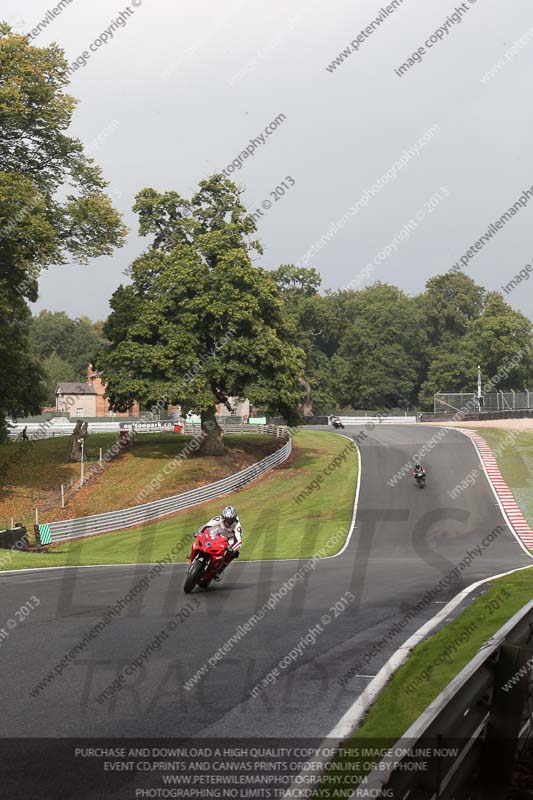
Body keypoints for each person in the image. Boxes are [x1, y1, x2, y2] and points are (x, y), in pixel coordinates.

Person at [193, 505, 242, 581]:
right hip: (218, 534)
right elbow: (207, 525)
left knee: (233, 553)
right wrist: (199, 532)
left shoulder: (237, 526)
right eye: (226, 520)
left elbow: (238, 541)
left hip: (230, 539)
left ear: (234, 519)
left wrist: (232, 548)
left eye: (231, 520)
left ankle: (219, 571)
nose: (228, 522)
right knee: (204, 536)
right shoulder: (218, 518)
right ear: (223, 517)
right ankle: (195, 553)